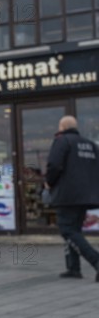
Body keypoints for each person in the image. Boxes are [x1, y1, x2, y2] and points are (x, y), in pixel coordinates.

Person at [45, 115, 99, 282]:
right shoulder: (90, 144)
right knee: (74, 230)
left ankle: (96, 261)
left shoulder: (62, 141)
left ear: (62, 127)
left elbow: (54, 165)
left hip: (67, 195)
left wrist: (49, 182)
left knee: (68, 230)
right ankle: (73, 268)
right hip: (85, 195)